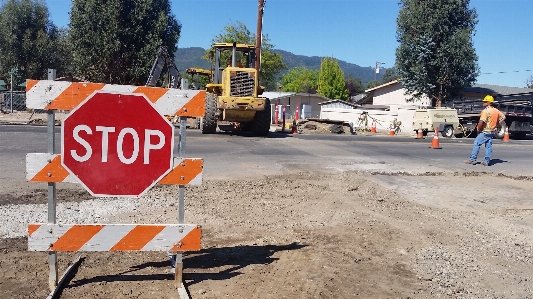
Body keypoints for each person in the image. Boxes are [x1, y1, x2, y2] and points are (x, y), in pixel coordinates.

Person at [464, 95, 506, 166]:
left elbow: (481, 122)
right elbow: (504, 117)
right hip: (492, 131)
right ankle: (486, 161)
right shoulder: (496, 110)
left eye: (485, 102)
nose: (483, 103)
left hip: (485, 131)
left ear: (488, 103)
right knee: (488, 146)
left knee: (477, 143)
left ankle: (472, 159)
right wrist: (497, 123)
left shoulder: (485, 111)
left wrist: (478, 129)